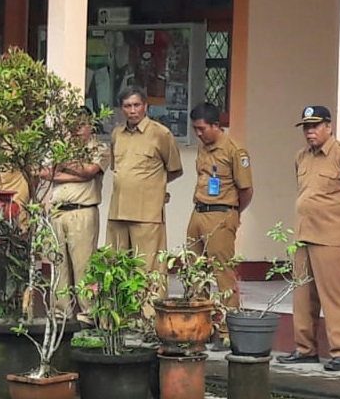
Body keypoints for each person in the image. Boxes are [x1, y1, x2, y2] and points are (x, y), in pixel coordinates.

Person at [276, 105, 340, 373]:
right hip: (303, 235)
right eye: (306, 127)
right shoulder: (301, 157)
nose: (310, 132)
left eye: (315, 126)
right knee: (303, 296)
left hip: (330, 237)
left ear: (329, 127)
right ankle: (305, 349)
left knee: (334, 297)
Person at [187, 102, 253, 348]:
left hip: (221, 215)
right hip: (198, 213)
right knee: (195, 273)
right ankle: (200, 328)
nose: (198, 133)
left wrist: (231, 215)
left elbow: (246, 190)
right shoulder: (203, 148)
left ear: (216, 125)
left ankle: (227, 332)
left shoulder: (235, 151)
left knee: (222, 274)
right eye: (195, 129)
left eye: (202, 128)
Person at [106, 87, 182, 280]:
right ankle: (123, 310)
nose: (132, 110)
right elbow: (118, 169)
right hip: (119, 211)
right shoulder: (117, 134)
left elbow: (174, 169)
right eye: (127, 106)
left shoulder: (160, 134)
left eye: (136, 105)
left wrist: (155, 187)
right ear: (121, 109)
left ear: (145, 106)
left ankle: (149, 311)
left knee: (149, 268)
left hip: (147, 213)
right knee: (118, 266)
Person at [42, 108, 108, 319]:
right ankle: (62, 313)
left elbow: (88, 172)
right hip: (58, 210)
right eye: (73, 125)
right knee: (58, 264)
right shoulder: (61, 147)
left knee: (84, 265)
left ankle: (88, 314)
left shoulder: (100, 148)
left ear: (92, 126)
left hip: (83, 211)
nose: (77, 130)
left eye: (82, 124)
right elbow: (44, 172)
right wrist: (76, 174)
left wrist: (62, 167)